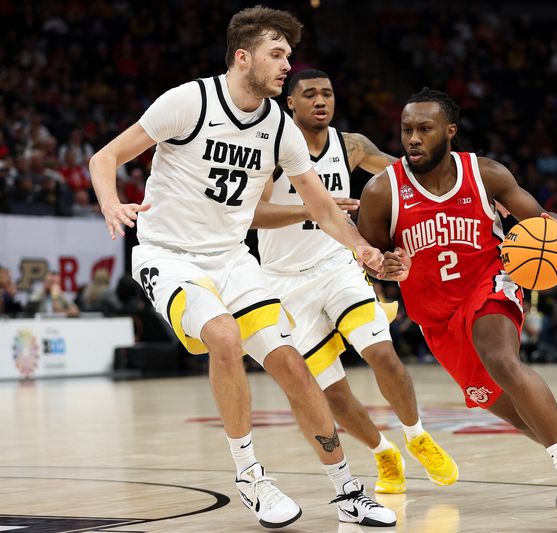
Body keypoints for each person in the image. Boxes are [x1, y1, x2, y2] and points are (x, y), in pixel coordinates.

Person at [89, 6, 395, 529]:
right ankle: (250, 478)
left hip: (233, 259)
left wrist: (362, 248)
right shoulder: (189, 101)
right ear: (242, 56)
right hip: (168, 255)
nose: (286, 66)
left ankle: (347, 489)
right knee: (224, 338)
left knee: (293, 367)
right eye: (277, 55)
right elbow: (105, 157)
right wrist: (111, 204)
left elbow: (321, 207)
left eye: (288, 56)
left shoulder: (280, 127)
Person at [356, 88, 557, 516]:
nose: (412, 138)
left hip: (490, 284)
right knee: (520, 416)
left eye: (424, 129)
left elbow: (541, 221)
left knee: (502, 361)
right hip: (436, 319)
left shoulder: (484, 174)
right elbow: (371, 261)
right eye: (406, 129)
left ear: (449, 132)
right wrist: (383, 266)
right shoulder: (382, 191)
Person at [251, 69, 457, 495]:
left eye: (327, 92)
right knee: (334, 392)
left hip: (337, 266)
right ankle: (384, 452)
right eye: (309, 94)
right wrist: (314, 209)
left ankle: (417, 436)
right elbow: (250, 215)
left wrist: (468, 186)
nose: (321, 100)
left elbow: (409, 175)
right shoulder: (269, 151)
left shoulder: (351, 145)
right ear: (290, 103)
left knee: (383, 354)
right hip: (284, 283)